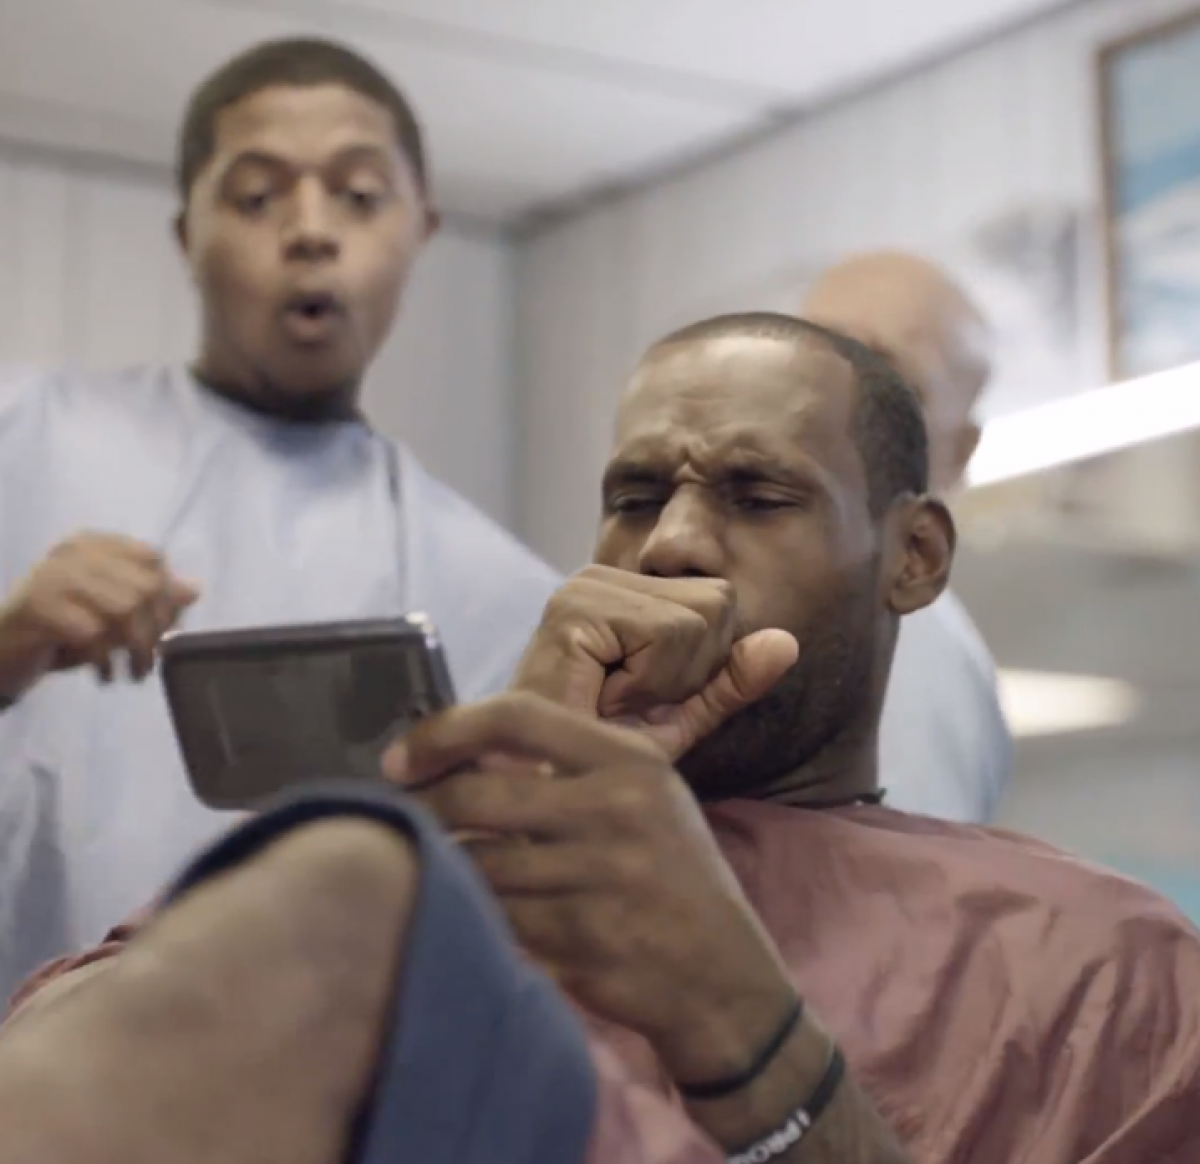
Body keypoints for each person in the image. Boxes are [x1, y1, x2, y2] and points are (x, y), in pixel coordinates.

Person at [12, 314, 1200, 1162]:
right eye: (634, 499)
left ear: (916, 556)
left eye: (757, 497)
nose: (669, 545)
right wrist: (471, 813)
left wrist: (746, 1027)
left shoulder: (1101, 968)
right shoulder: (428, 868)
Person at [0, 38, 558, 1000]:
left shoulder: (500, 593)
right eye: (257, 196)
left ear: (421, 229)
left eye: (358, 195)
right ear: (188, 234)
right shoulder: (25, 436)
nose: (309, 232)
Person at [801, 252, 1011, 822]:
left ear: (958, 453)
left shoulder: (897, 644)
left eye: (886, 381)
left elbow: (884, 875)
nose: (822, 398)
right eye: (807, 356)